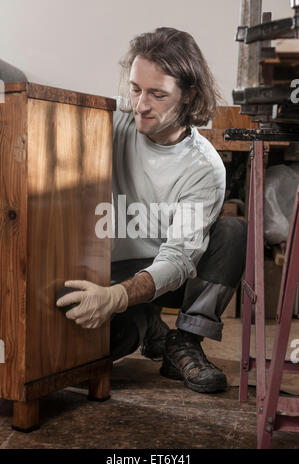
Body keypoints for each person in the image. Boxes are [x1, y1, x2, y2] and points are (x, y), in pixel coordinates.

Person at [56, 27, 247, 394]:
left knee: (232, 233)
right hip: (107, 272)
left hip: (170, 277)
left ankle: (185, 341)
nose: (141, 105)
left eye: (157, 94)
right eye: (135, 89)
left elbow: (177, 260)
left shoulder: (203, 168)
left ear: (189, 95)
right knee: (79, 352)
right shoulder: (110, 121)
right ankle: (146, 325)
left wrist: (118, 298)